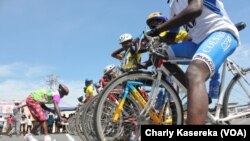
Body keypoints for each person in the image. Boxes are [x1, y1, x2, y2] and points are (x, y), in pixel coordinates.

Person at [147, 0, 240, 124]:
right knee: (158, 56)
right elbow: (171, 37)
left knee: (194, 72)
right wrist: (152, 40)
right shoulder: (174, 6)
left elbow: (195, 9)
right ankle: (197, 93)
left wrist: (158, 29)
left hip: (221, 32)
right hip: (196, 43)